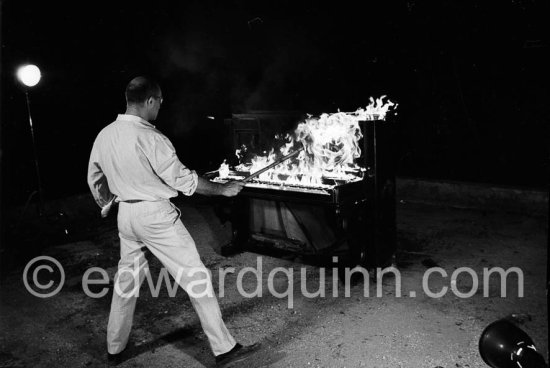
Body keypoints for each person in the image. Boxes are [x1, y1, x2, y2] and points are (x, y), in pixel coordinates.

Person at [87, 76, 259, 367]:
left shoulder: (105, 135)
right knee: (196, 277)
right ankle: (224, 348)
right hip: (155, 216)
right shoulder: (150, 137)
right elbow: (181, 179)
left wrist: (109, 202)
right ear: (150, 101)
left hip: (126, 215)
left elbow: (95, 179)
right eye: (160, 103)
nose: (160, 109)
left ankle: (114, 349)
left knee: (126, 282)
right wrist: (223, 189)